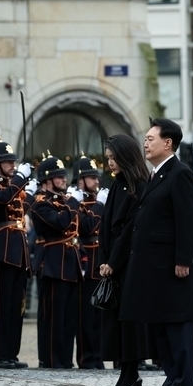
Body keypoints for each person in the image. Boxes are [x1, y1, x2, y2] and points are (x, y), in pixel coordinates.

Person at [122, 118, 193, 386]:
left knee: (177, 325)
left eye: (150, 138)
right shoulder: (156, 175)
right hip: (153, 268)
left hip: (172, 267)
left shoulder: (179, 174)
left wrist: (183, 259)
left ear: (168, 143)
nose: (145, 143)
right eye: (145, 138)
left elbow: (188, 219)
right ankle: (171, 379)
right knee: (160, 327)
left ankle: (184, 385)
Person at [97, 135, 150, 386]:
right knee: (117, 321)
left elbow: (129, 227)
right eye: (108, 158)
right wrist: (104, 259)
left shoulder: (139, 185)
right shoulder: (118, 185)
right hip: (115, 264)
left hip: (130, 264)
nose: (110, 162)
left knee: (129, 322)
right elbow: (105, 226)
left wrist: (113, 262)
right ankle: (127, 374)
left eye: (113, 157)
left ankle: (131, 374)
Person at [0, 140, 32, 369]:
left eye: (13, 161)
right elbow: (2, 200)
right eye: (7, 162)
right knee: (1, 304)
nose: (12, 165)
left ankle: (11, 353)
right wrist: (21, 180)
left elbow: (21, 207)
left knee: (16, 305)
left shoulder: (13, 186)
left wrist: (28, 189)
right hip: (2, 248)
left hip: (18, 248)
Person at [31, 153, 84, 369]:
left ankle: (65, 358)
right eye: (58, 176)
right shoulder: (40, 202)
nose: (64, 179)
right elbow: (60, 223)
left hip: (70, 261)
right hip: (53, 262)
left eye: (63, 175)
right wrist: (72, 202)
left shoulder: (62, 200)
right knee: (52, 315)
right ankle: (51, 359)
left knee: (69, 316)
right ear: (47, 180)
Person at [70, 155, 107, 370]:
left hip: (101, 261)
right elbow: (86, 227)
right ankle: (86, 358)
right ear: (80, 180)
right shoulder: (76, 202)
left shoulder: (100, 201)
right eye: (91, 177)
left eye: (96, 177)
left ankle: (98, 357)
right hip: (86, 261)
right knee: (85, 317)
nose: (96, 181)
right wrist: (100, 205)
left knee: (99, 317)